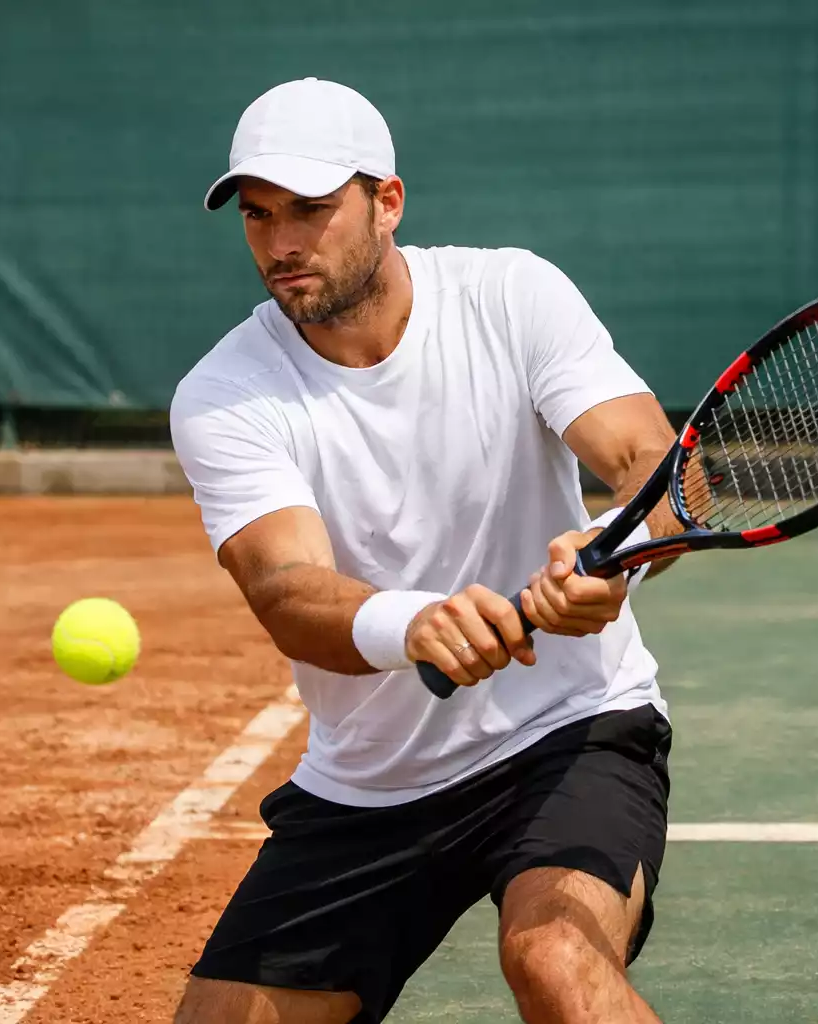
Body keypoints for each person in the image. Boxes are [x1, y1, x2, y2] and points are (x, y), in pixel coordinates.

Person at [168, 77, 681, 1024]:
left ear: (388, 201)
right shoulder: (225, 395)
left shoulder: (510, 297)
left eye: (313, 210)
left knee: (556, 959)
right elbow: (285, 590)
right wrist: (420, 623)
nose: (281, 244)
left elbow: (655, 464)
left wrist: (616, 547)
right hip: (371, 786)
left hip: (567, 731)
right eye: (258, 215)